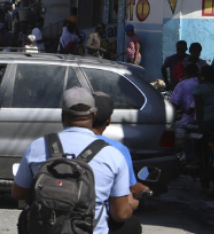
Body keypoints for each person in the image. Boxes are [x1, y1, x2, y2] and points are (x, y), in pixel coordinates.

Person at [13, 87, 134, 234]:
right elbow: (120, 214)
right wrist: (131, 206)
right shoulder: (112, 154)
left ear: (63, 115)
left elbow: (18, 193)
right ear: (94, 115)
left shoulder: (37, 146)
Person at [92, 92, 148, 234]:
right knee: (132, 224)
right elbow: (122, 210)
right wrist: (134, 202)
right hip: (97, 223)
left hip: (55, 219)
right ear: (108, 120)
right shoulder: (117, 149)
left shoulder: (48, 145)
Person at [193, 65, 214, 133]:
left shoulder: (199, 89)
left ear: (203, 76)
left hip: (209, 122)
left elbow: (199, 110)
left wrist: (199, 126)